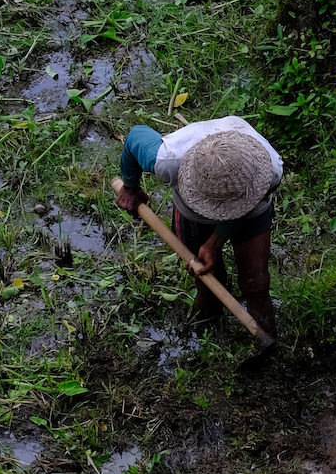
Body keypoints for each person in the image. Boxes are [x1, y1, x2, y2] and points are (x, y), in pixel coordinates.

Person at [117, 116, 283, 338]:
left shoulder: (270, 170)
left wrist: (214, 242)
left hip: (251, 211)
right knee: (208, 279)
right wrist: (130, 185)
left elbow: (237, 214)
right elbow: (135, 135)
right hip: (193, 216)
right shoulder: (169, 161)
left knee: (256, 282)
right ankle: (205, 333)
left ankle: (266, 336)